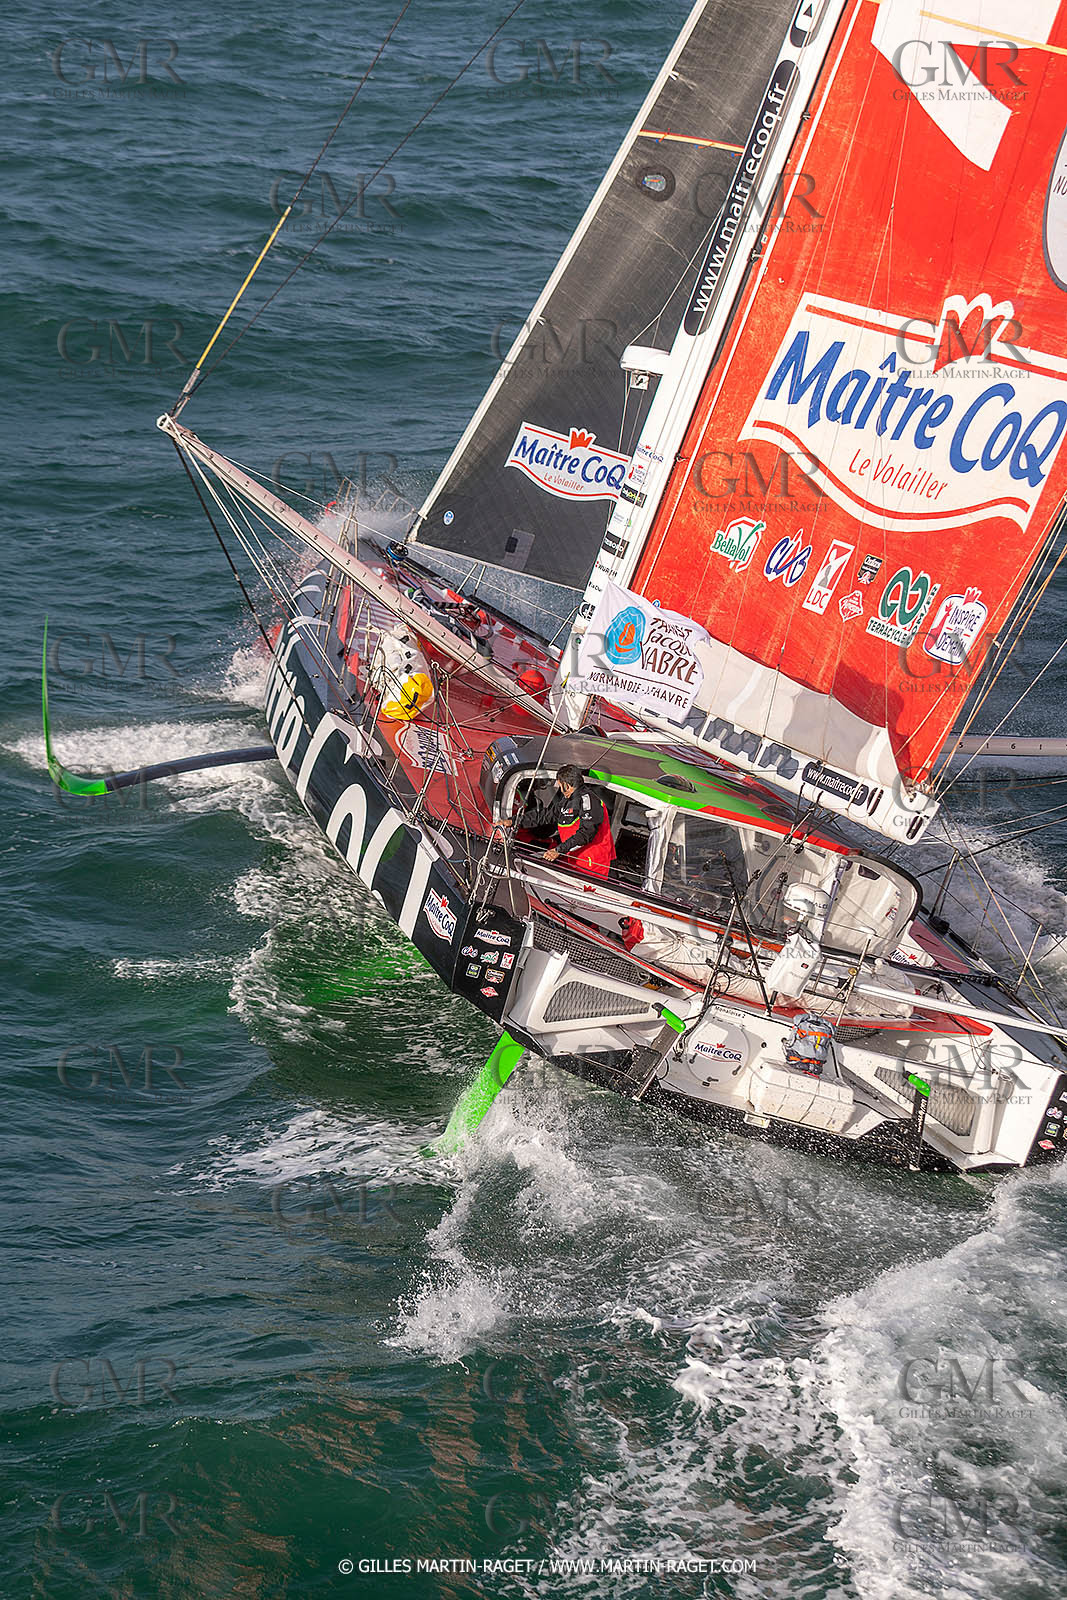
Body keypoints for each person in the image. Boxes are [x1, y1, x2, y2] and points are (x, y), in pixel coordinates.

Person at [505, 763, 616, 879]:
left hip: (595, 867)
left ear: (566, 785)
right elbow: (546, 815)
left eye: (559, 785)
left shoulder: (588, 801)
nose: (560, 789)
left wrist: (558, 850)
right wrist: (514, 821)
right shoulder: (567, 800)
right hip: (576, 861)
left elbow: (586, 834)